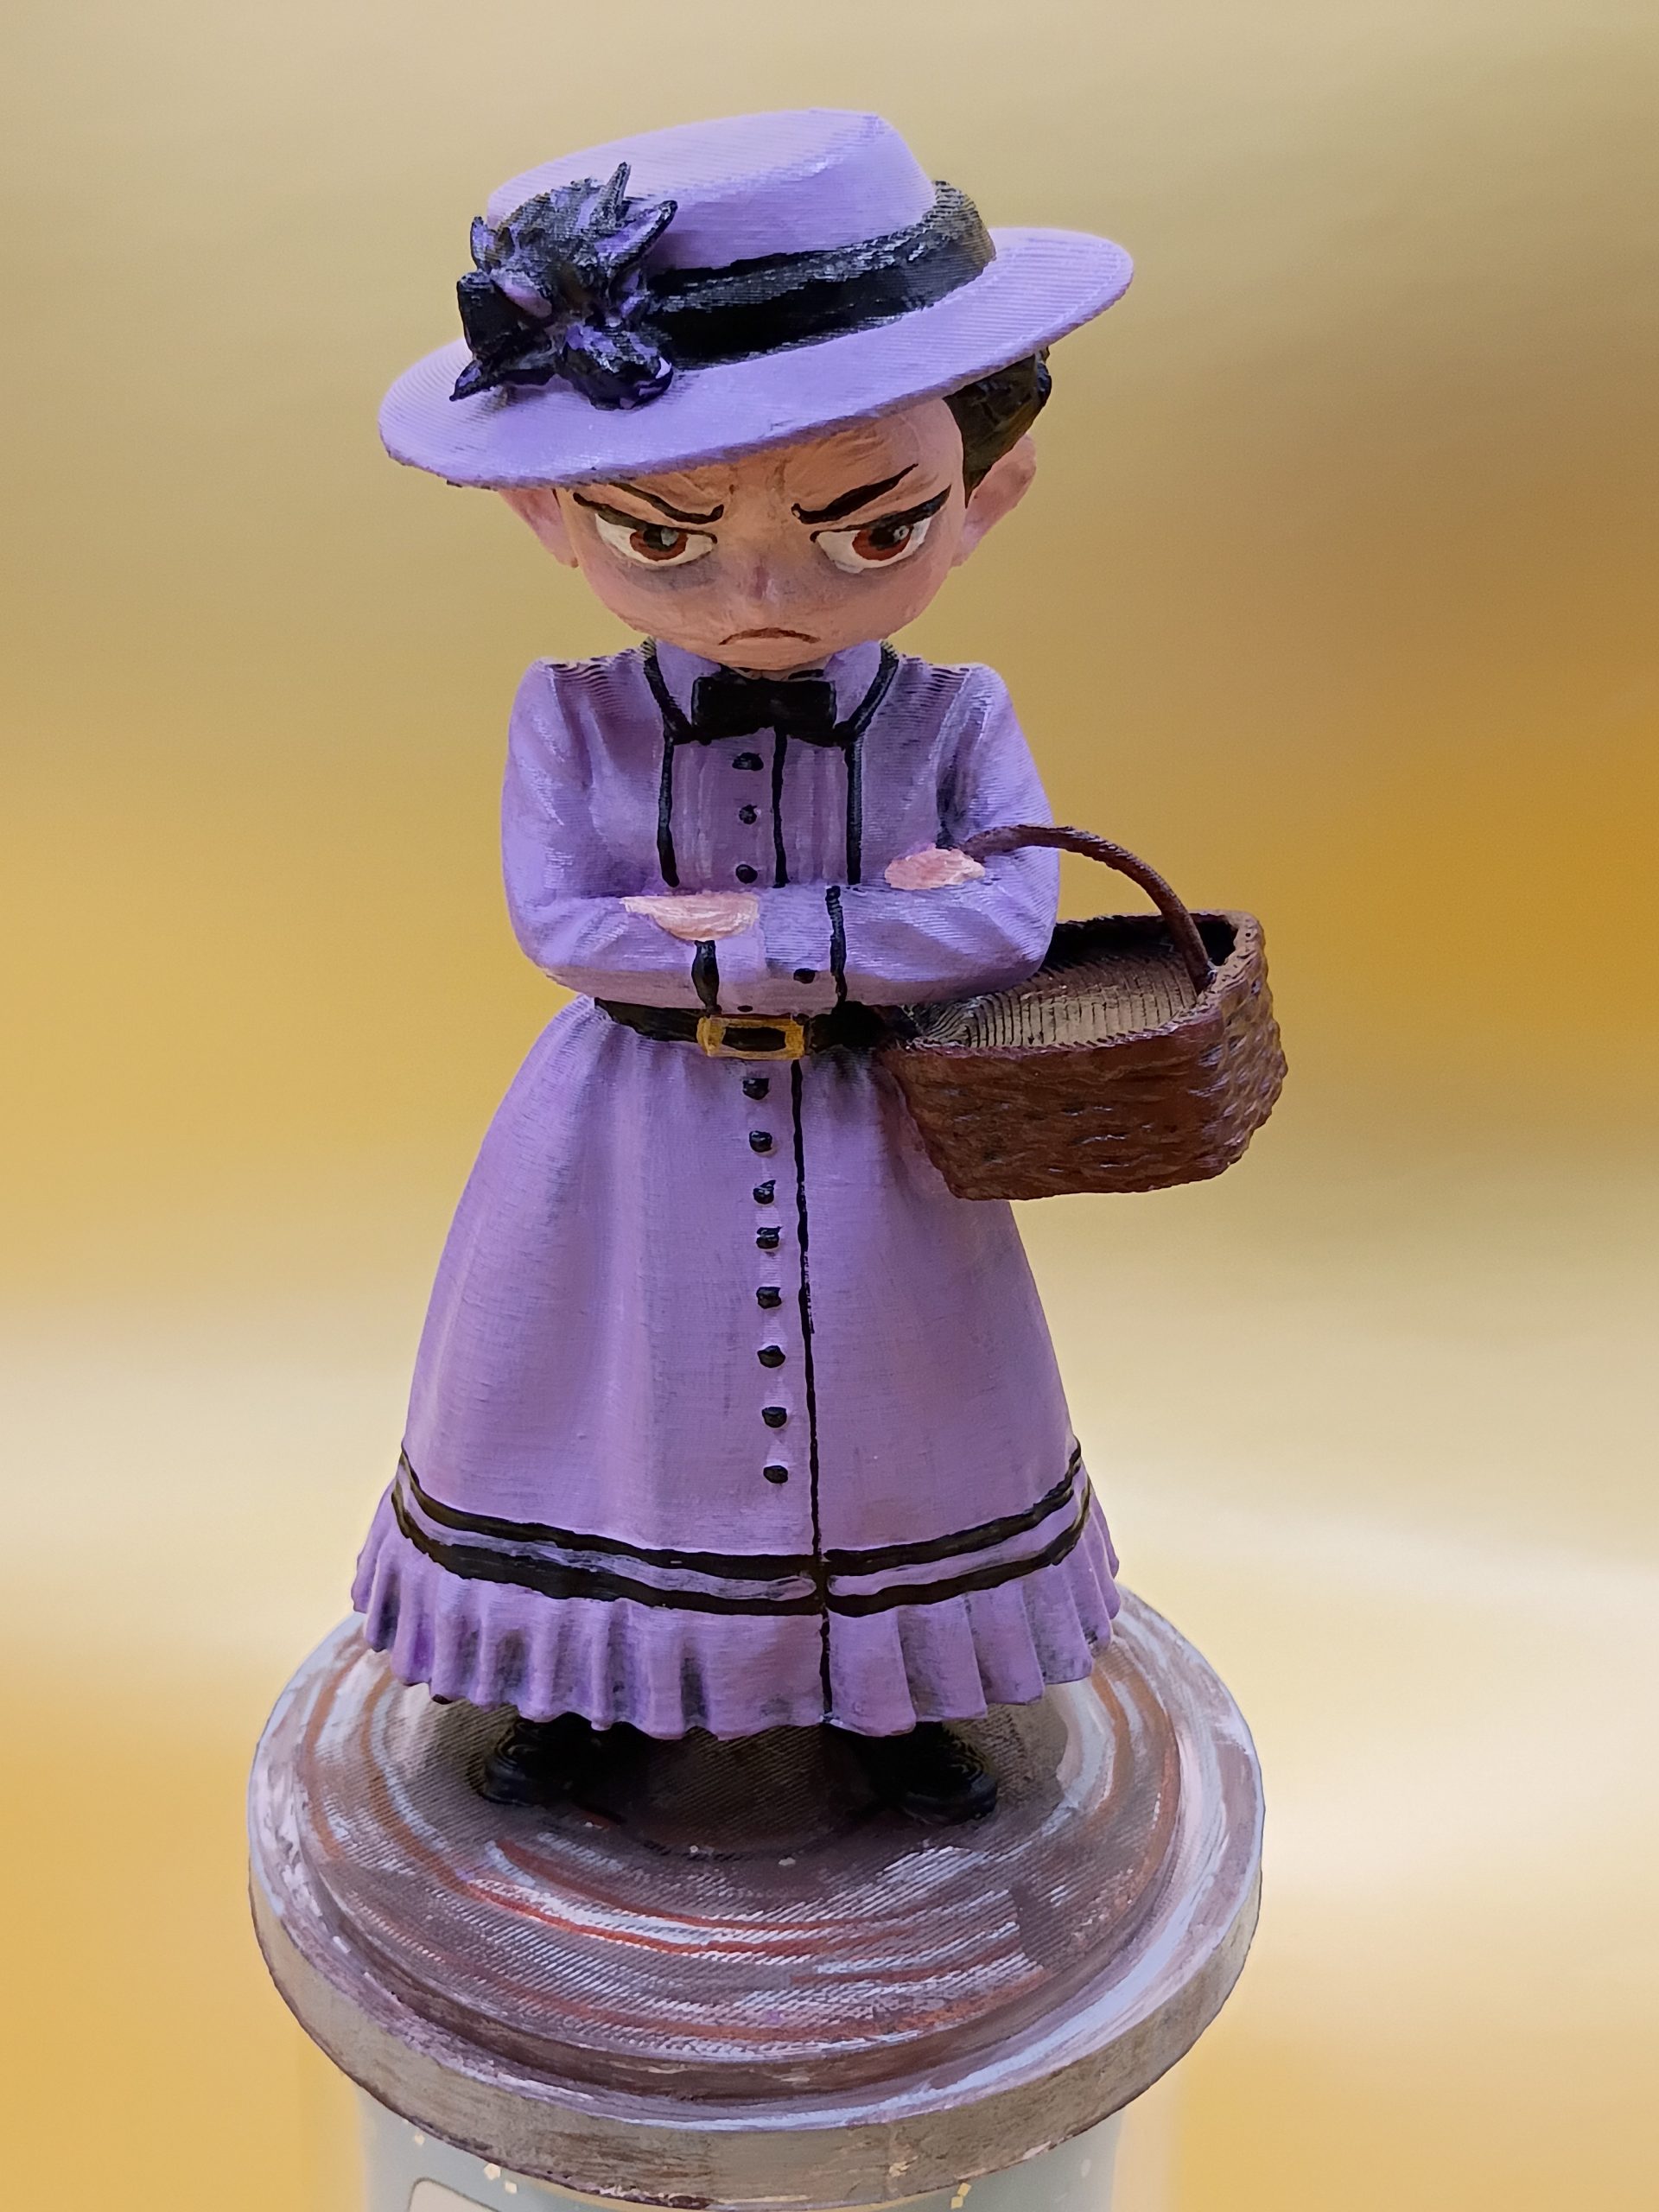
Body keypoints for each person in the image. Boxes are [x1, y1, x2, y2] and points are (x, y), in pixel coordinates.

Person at [354, 109, 1135, 1823]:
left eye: (869, 527)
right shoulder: (572, 716)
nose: (761, 588)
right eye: (666, 535)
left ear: (987, 494)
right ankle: (586, 1690)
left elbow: (1004, 920)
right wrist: (868, 923)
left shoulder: (956, 715)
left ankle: (905, 1695)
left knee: (903, 1413)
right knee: (609, 1409)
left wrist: (738, 930)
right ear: (553, 518)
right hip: (619, 1146)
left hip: (881, 1150)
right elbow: (567, 930)